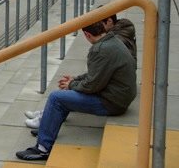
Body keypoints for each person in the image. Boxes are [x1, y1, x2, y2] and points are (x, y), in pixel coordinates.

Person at [16, 20, 137, 161]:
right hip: (120, 97)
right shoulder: (112, 41)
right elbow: (97, 75)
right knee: (66, 95)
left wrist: (71, 84)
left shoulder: (99, 49)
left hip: (113, 103)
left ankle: (42, 148)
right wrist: (74, 80)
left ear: (87, 34)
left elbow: (92, 85)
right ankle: (48, 127)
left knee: (57, 98)